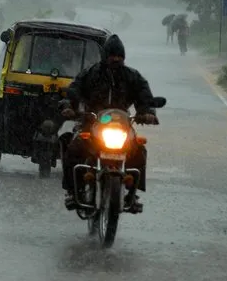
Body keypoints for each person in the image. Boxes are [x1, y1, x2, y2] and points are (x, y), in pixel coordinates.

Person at [59, 34, 158, 213]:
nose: (116, 59)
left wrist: (148, 113)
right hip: (92, 122)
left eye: (119, 56)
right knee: (72, 146)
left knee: (139, 151)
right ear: (105, 56)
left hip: (122, 125)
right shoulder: (91, 73)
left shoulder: (132, 76)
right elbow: (74, 90)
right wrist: (70, 107)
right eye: (112, 55)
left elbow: (144, 96)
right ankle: (73, 192)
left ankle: (132, 194)